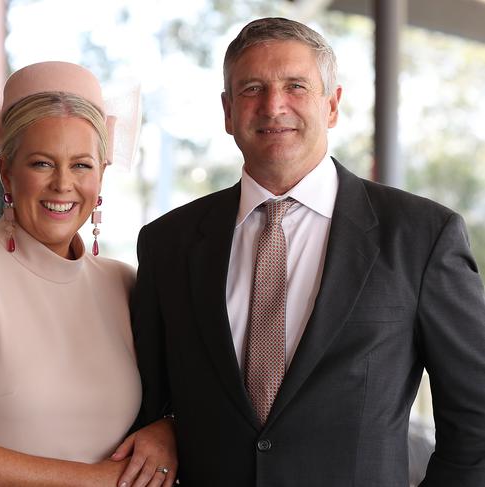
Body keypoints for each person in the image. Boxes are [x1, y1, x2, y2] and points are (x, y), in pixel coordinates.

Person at [132, 17, 485, 486]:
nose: (273, 105)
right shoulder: (167, 244)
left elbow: (477, 419)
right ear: (227, 111)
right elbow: (153, 404)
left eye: (295, 86)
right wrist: (165, 426)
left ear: (332, 104)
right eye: (252, 88)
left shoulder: (421, 236)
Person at [0, 61, 177, 487]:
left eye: (81, 165)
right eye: (42, 163)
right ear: (7, 170)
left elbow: (168, 403)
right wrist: (101, 481)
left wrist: (168, 429)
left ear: (102, 175)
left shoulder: (124, 283)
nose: (63, 184)